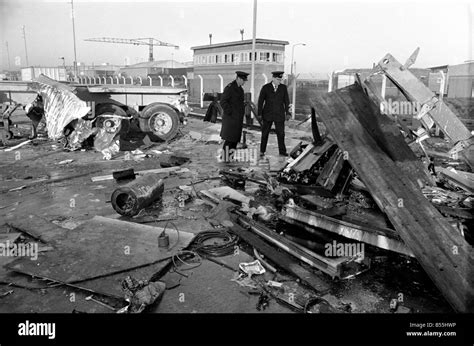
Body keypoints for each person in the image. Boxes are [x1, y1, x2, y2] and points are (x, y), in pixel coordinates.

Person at [257, 71, 291, 157]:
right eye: (278, 79)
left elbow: (287, 101)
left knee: (281, 133)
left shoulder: (283, 88)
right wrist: (259, 114)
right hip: (267, 115)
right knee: (265, 133)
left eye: (280, 79)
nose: (279, 81)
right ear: (273, 79)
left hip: (279, 115)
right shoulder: (265, 88)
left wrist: (288, 112)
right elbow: (260, 101)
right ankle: (262, 151)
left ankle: (282, 151)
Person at [220, 71, 249, 153]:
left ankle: (229, 158)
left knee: (234, 140)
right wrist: (231, 112)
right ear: (238, 79)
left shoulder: (240, 89)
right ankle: (225, 158)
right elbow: (223, 101)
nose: (244, 82)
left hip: (237, 119)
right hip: (231, 119)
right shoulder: (230, 88)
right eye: (243, 80)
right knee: (229, 140)